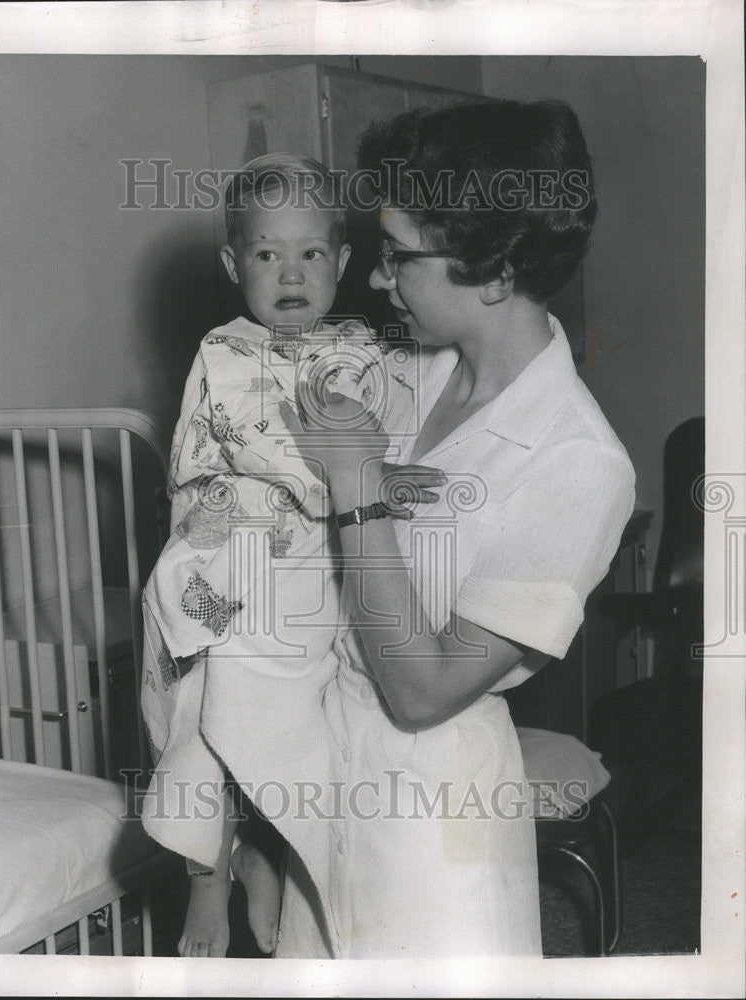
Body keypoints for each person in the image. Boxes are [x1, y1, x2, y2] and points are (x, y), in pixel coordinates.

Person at [271, 98, 637, 957]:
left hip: (437, 820)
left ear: (496, 270)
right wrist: (264, 831)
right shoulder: (405, 375)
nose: (375, 277)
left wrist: (355, 483)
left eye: (398, 255)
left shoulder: (579, 464)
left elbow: (423, 689)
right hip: (319, 768)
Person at [140, 152, 438, 958]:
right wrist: (351, 474)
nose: (292, 273)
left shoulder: (365, 348)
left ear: (343, 263)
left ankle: (271, 849)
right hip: (228, 541)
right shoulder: (225, 350)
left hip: (320, 549)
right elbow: (257, 442)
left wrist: (390, 475)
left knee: (306, 713)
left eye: (311, 254)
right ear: (236, 264)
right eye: (268, 255)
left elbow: (391, 433)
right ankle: (207, 873)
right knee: (206, 696)